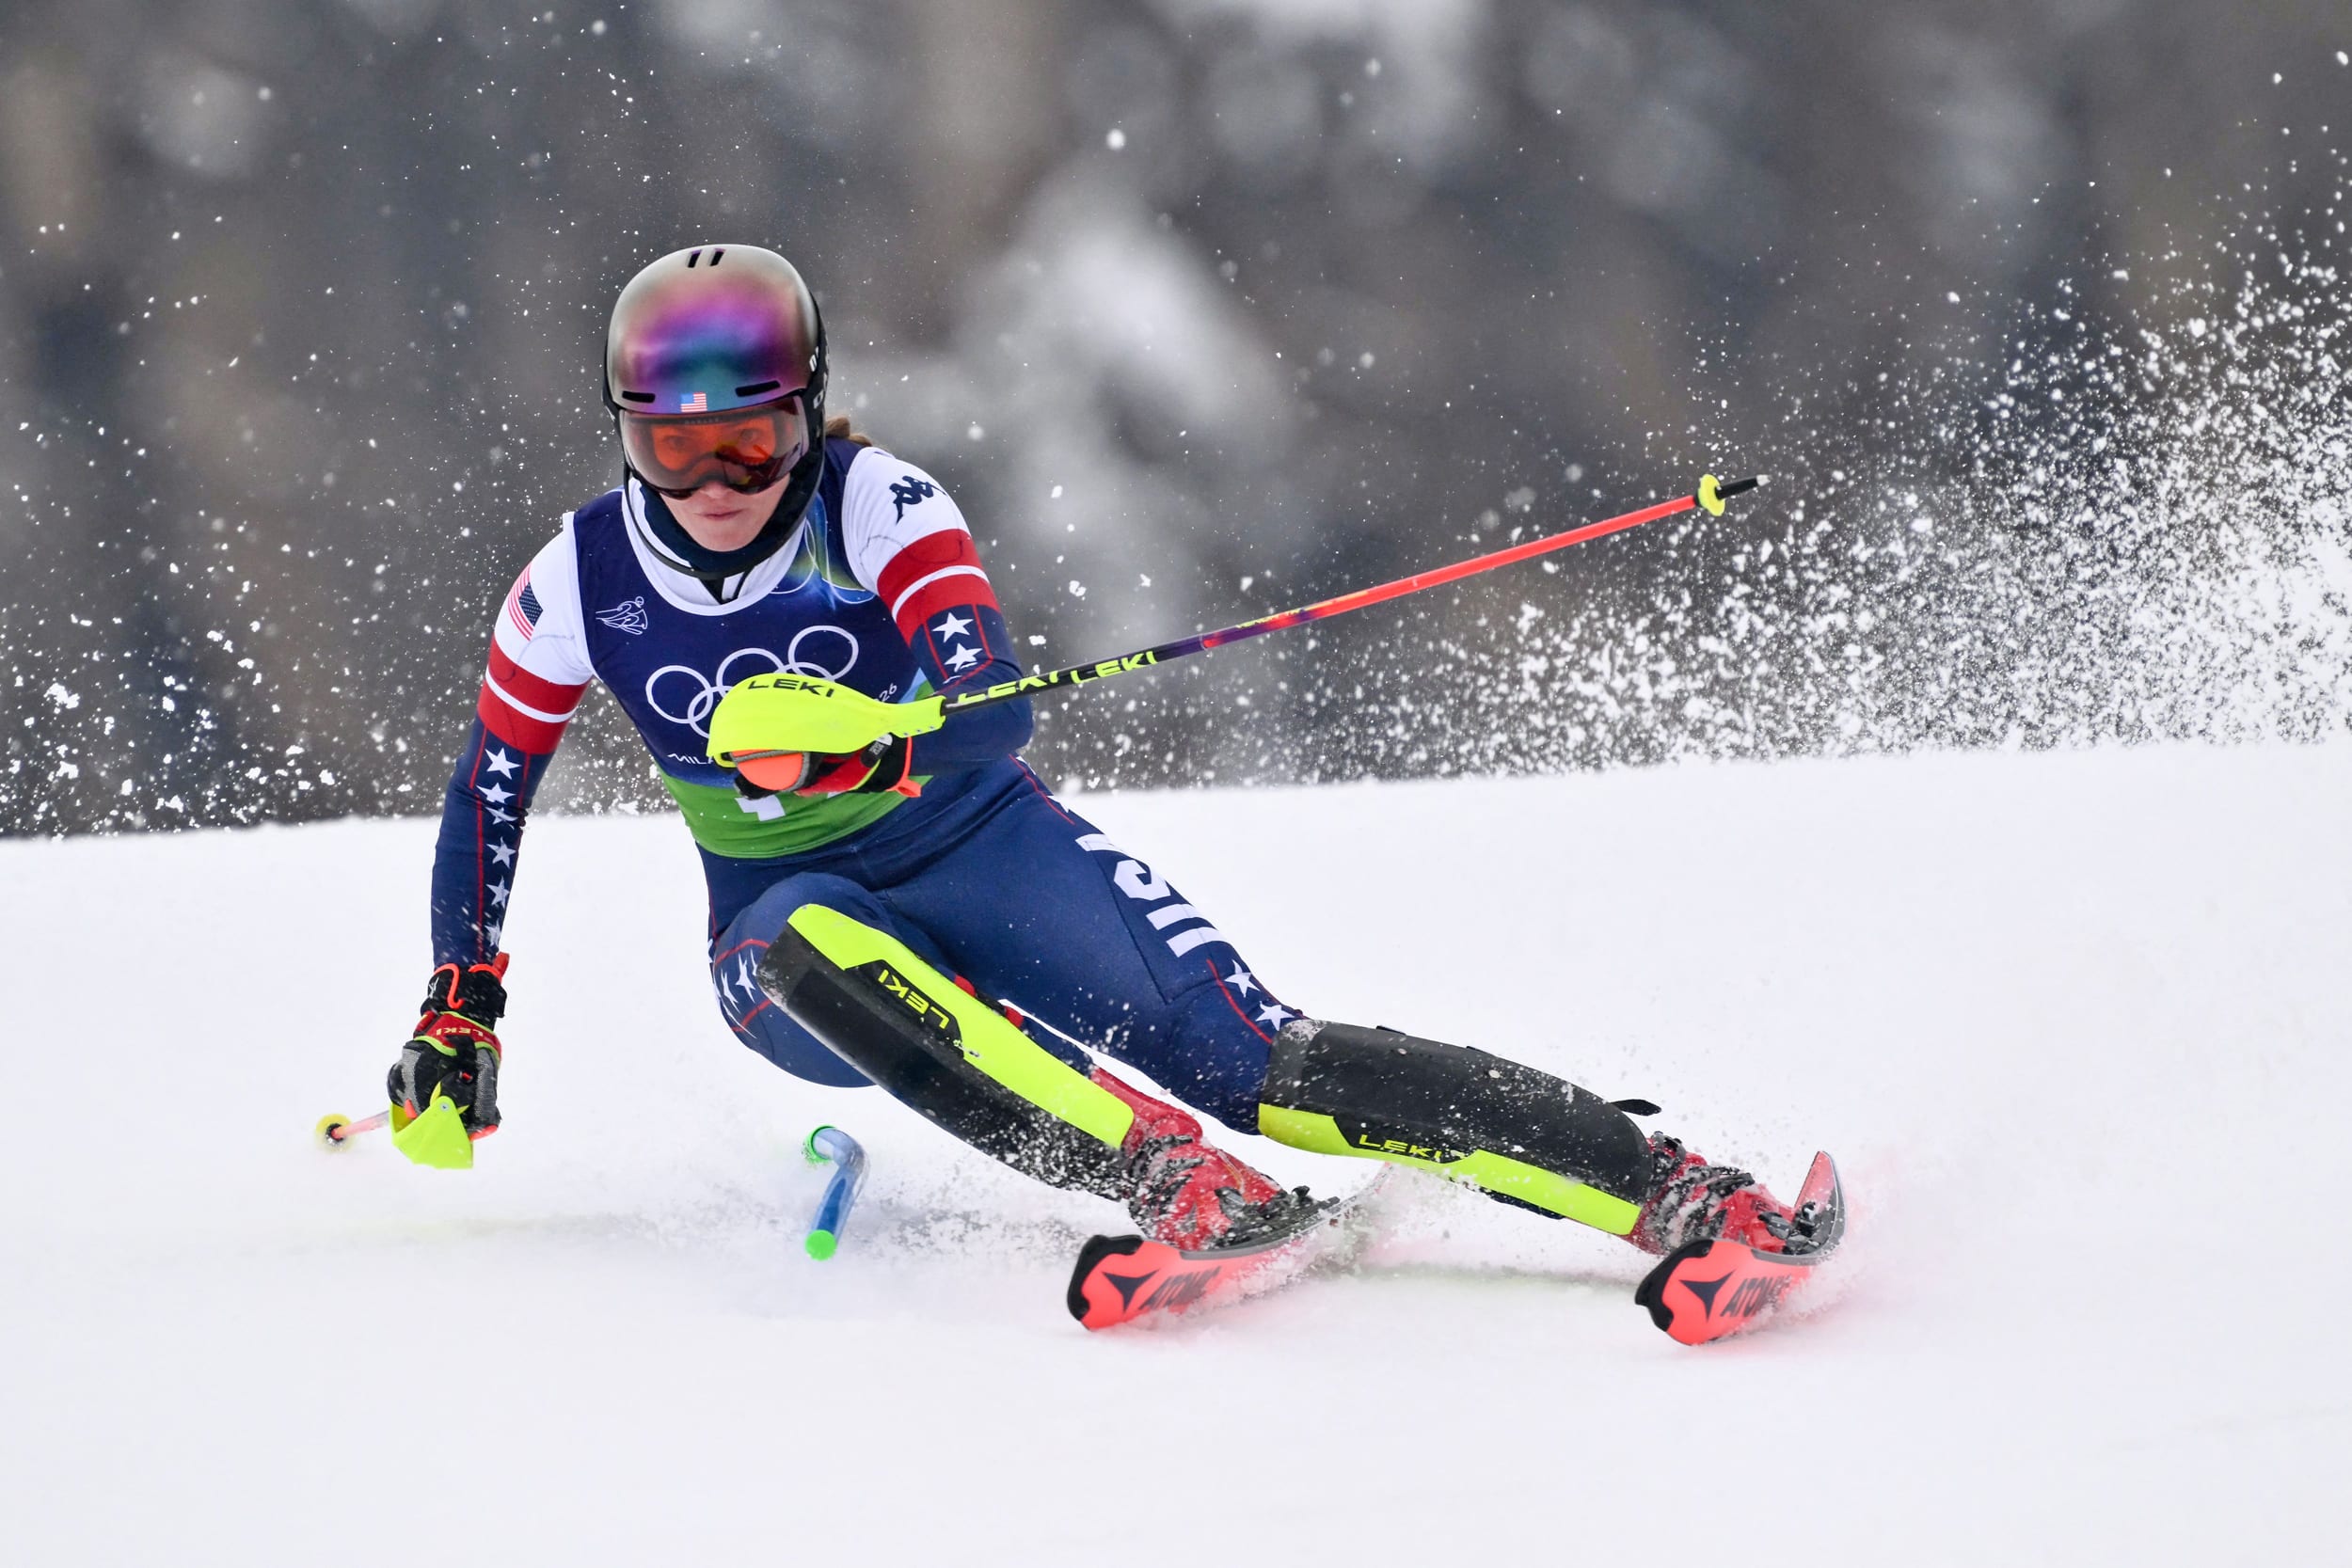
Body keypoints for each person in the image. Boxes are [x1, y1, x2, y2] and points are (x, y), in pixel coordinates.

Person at [389, 242, 1814, 1261]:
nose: (713, 486)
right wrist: (462, 1003)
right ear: (626, 437)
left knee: (1267, 1067)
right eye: (673, 451)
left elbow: (990, 700)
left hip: (988, 850)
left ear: (809, 416)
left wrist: (876, 754)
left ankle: (1677, 1193)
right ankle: (1174, 1186)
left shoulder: (878, 503)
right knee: (806, 936)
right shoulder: (576, 580)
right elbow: (490, 789)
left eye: (753, 447)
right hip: (785, 954)